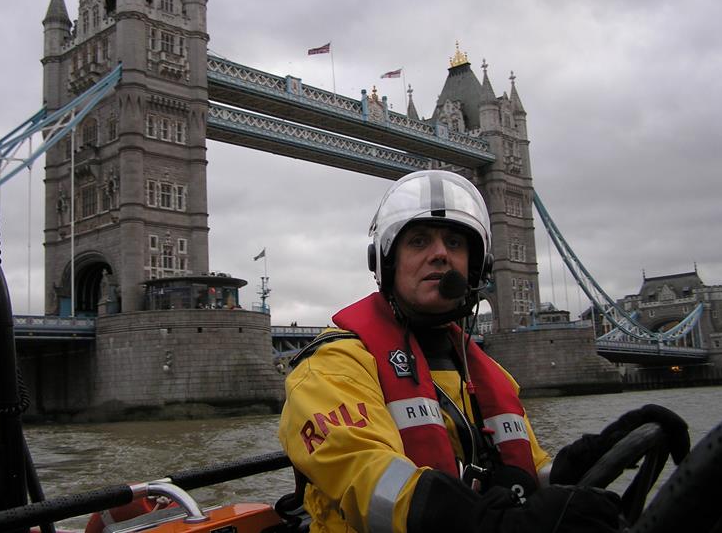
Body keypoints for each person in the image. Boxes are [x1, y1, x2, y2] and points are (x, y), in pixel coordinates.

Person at [278, 170, 690, 533]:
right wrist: (492, 522)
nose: (439, 253)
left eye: (454, 242)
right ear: (385, 262)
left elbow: (529, 473)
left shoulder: (485, 373)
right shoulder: (332, 366)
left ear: (475, 269)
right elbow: (365, 477)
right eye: (418, 241)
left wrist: (593, 454)